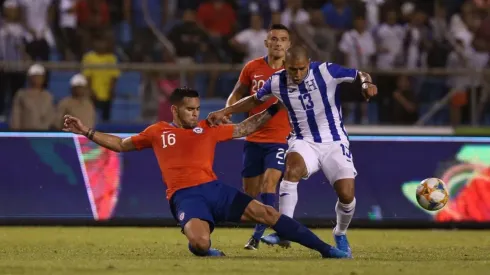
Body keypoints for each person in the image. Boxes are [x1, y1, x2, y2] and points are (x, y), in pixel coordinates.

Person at [62, 87, 350, 259]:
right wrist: (86, 131)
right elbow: (121, 145)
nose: (194, 114)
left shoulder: (207, 128)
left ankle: (327, 250)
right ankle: (203, 249)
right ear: (175, 110)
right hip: (185, 197)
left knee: (269, 215)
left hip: (215, 190)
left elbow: (245, 128)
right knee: (200, 243)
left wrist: (277, 105)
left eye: (197, 108)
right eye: (189, 109)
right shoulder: (157, 132)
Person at [207, 46, 378, 257]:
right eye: (292, 69)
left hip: (334, 142)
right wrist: (226, 111)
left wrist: (366, 83)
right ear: (285, 66)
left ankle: (340, 232)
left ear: (309, 63)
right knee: (292, 169)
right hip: (302, 140)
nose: (296, 74)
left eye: (301, 69)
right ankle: (284, 230)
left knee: (346, 195)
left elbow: (360, 74)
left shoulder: (326, 71)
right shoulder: (277, 81)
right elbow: (254, 100)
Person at [225, 23, 291, 250]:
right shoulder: (252, 67)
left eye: (282, 39)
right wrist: (228, 112)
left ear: (288, 44)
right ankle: (271, 229)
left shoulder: (295, 71)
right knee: (251, 194)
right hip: (253, 138)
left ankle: (257, 236)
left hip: (281, 138)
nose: (278, 43)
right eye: (274, 39)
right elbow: (237, 94)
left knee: (269, 182)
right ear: (266, 43)